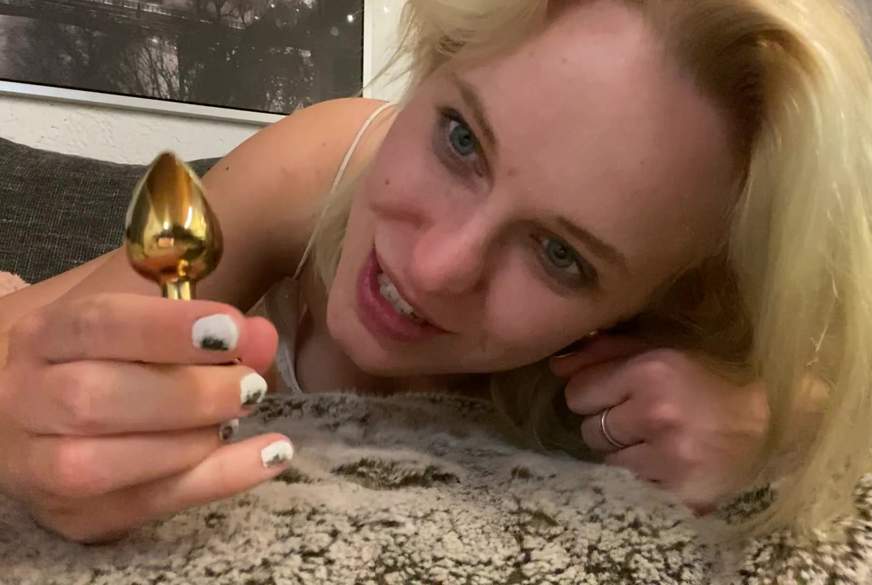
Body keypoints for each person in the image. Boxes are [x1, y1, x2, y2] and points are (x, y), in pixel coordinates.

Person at [0, 0, 870, 545]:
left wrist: (771, 411)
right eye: (460, 139)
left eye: (560, 255)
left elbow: (835, 395)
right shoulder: (323, 161)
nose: (435, 265)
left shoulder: (676, 330)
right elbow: (45, 352)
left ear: (653, 301)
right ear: (432, 65)